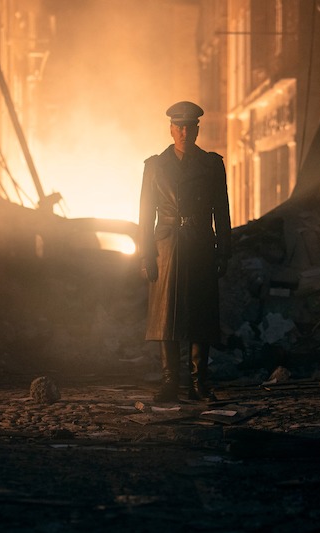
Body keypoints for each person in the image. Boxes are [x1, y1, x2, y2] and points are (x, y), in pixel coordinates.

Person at [138, 101, 231, 402]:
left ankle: (197, 383)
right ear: (170, 129)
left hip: (200, 242)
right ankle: (170, 383)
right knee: (167, 316)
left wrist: (224, 250)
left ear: (197, 129)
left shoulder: (212, 164)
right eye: (178, 126)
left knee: (200, 314)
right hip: (166, 244)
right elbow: (145, 213)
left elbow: (222, 210)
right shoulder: (154, 166)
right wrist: (145, 253)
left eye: (189, 127)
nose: (183, 132)